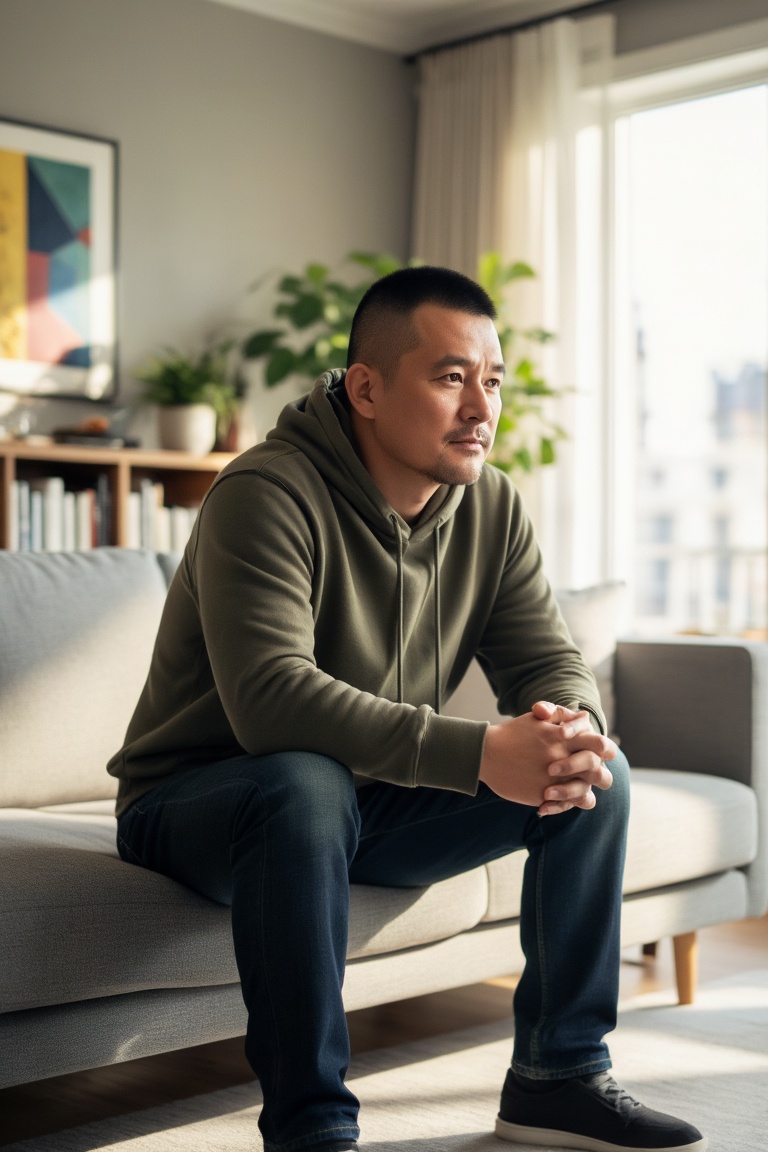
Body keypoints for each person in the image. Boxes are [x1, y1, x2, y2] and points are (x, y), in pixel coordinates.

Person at [108, 266, 706, 1152]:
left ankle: (560, 1078)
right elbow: (271, 700)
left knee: (596, 778)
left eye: (493, 380)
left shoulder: (489, 506)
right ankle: (312, 1126)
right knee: (304, 784)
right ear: (368, 389)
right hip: (200, 800)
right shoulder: (264, 495)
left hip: (362, 797)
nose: (482, 407)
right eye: (451, 376)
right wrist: (475, 754)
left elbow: (547, 659)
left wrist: (572, 730)